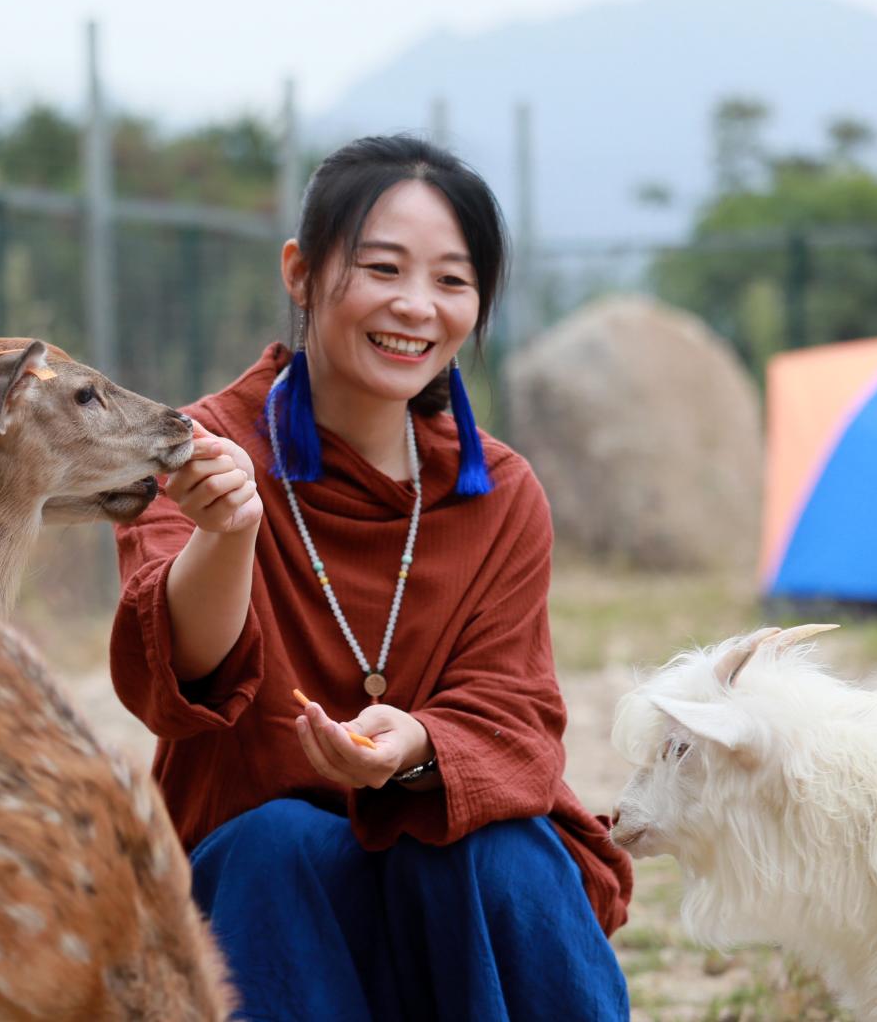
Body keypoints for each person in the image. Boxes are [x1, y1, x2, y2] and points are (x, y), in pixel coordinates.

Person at [108, 134, 632, 1021]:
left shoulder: (498, 492)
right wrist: (229, 533)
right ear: (302, 273)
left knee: (492, 846)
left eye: (452, 282)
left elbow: (517, 717)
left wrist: (418, 747)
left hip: (450, 897)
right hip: (261, 914)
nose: (416, 307)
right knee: (275, 840)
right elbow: (174, 681)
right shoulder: (196, 449)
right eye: (383, 268)